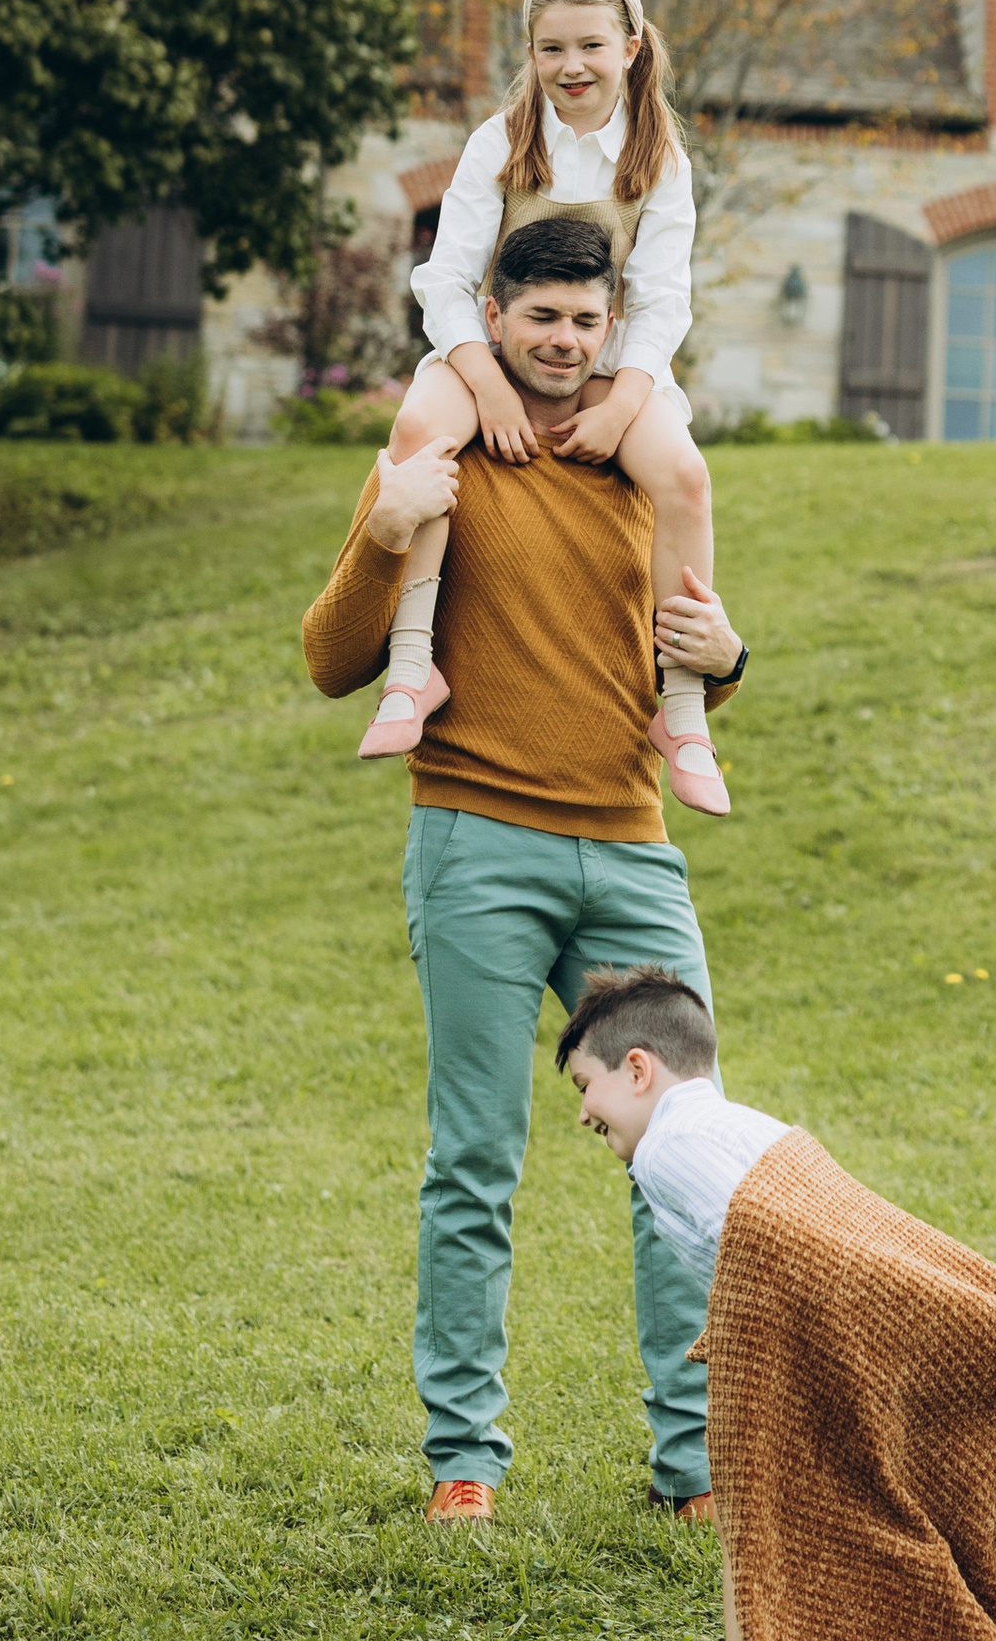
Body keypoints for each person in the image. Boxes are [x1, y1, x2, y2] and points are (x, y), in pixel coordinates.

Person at [300, 214, 748, 1526]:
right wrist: (386, 532)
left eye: (583, 321)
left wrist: (725, 659)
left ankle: (692, 1472)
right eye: (538, 317)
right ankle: (465, 1465)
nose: (561, 341)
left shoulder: (644, 458)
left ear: (613, 327)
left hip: (629, 850)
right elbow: (331, 660)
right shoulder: (439, 445)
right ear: (491, 317)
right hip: (478, 842)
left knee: (688, 1154)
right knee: (475, 1161)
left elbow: (694, 658)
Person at [362, 0, 728, 815]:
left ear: (632, 49)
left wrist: (627, 399)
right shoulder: (501, 140)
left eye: (593, 46)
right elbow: (444, 279)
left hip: (607, 362)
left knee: (683, 476)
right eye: (552, 47)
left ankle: (679, 707)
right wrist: (484, 383)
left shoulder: (659, 159)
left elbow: (663, 299)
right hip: (492, 350)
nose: (573, 65)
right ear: (529, 54)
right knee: (417, 435)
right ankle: (414, 665)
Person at [554, 966, 792, 1641]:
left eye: (586, 1084)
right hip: (797, 1347)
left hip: (800, 1357)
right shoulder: (746, 1122)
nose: (582, 1110)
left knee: (753, 1532)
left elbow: (766, 1245)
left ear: (638, 1069)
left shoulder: (667, 1150)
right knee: (755, 1533)